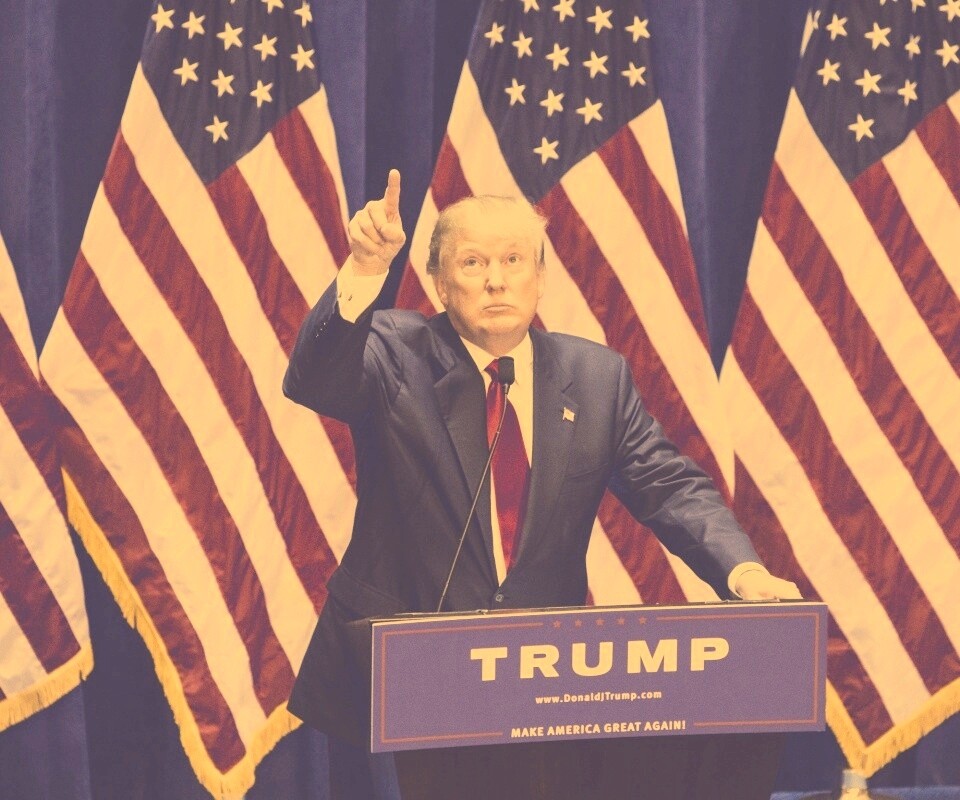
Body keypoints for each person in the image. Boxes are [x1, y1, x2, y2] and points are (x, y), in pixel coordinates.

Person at [283, 170, 801, 799]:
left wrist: (742, 573)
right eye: (472, 262)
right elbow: (316, 380)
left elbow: (669, 487)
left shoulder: (595, 378)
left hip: (535, 692)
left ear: (540, 276)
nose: (496, 280)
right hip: (391, 683)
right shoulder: (397, 351)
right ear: (441, 283)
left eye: (513, 260)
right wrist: (366, 269)